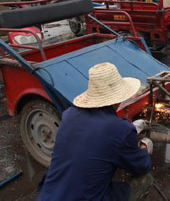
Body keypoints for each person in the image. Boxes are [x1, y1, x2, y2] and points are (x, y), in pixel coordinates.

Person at [36, 62, 152, 200]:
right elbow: (141, 166)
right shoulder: (121, 130)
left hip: (48, 195)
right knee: (146, 179)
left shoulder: (69, 115)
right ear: (117, 97)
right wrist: (144, 148)